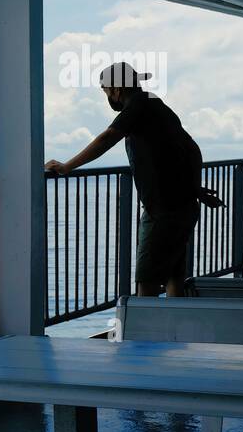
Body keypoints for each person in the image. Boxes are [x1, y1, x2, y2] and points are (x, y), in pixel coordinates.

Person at [44, 62, 211, 297]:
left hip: (163, 210)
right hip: (181, 205)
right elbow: (192, 148)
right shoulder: (155, 104)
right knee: (174, 272)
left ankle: (147, 332)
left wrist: (66, 166)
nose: (107, 96)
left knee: (147, 282)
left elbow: (107, 137)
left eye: (105, 91)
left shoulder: (139, 105)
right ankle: (175, 329)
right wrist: (194, 188)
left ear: (116, 90)